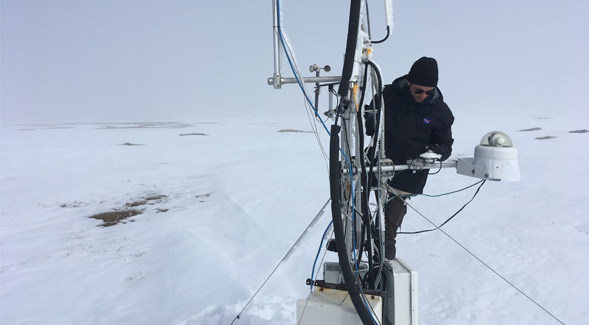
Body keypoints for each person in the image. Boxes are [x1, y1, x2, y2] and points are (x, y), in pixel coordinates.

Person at [365, 57, 455, 261]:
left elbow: (446, 146)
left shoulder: (440, 112)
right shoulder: (387, 95)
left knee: (386, 231)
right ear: (409, 82)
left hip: (407, 176)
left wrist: (435, 151)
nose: (423, 95)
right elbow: (368, 118)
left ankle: (382, 272)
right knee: (355, 215)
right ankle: (354, 257)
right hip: (373, 165)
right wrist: (371, 122)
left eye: (428, 92)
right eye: (419, 90)